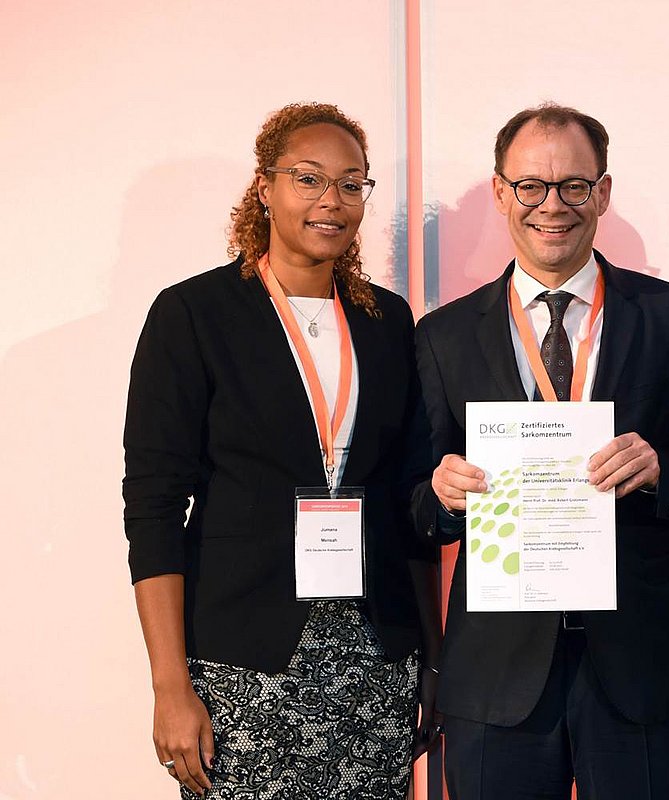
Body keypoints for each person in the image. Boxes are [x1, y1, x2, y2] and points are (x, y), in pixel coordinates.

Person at [411, 103, 669, 800]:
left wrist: (662, 471)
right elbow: (414, 502)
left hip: (642, 666)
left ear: (603, 192)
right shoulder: (443, 336)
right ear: (501, 191)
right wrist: (440, 496)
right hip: (497, 677)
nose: (552, 205)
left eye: (573, 185)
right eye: (531, 186)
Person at [123, 102, 441, 798]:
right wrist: (170, 684)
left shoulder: (387, 321)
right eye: (309, 178)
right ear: (264, 187)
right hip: (242, 663)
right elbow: (152, 508)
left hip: (375, 656)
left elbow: (404, 498)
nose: (332, 200)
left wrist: (431, 657)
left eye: (352, 183)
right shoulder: (194, 314)